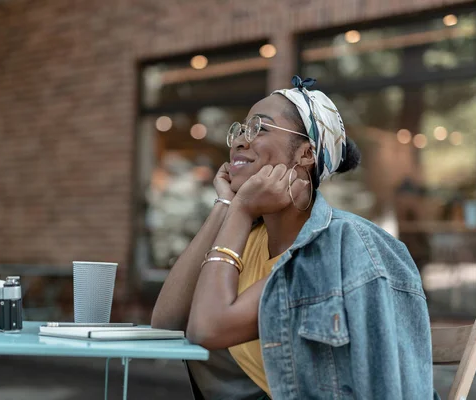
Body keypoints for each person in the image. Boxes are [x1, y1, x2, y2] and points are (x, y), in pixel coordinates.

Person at [152, 76, 437, 399]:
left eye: (259, 128)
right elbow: (166, 323)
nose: (240, 141)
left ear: (305, 154)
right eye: (241, 130)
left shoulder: (345, 245)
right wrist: (226, 206)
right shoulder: (245, 238)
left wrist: (242, 209)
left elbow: (207, 328)